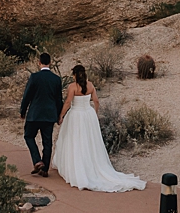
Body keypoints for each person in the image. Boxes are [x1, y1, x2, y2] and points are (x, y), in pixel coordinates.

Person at [51, 63, 146, 193]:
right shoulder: (90, 85)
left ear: (74, 75)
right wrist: (94, 114)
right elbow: (96, 101)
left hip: (76, 115)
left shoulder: (72, 86)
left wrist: (61, 115)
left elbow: (68, 102)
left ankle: (76, 167)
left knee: (75, 140)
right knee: (90, 142)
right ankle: (91, 165)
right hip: (88, 114)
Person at [18, 52, 61, 178]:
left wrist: (23, 111)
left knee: (28, 136)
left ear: (39, 63)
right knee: (47, 141)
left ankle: (37, 161)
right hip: (49, 115)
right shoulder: (56, 79)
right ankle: (45, 168)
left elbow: (27, 96)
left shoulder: (34, 77)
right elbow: (59, 99)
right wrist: (59, 115)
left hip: (35, 114)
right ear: (50, 63)